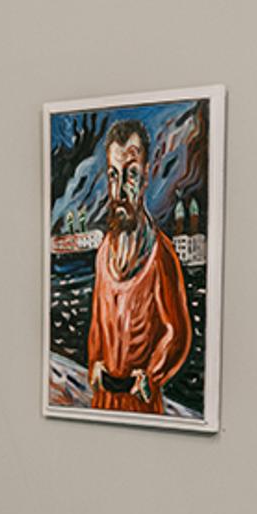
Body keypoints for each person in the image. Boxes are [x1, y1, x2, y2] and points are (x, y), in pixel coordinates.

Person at [86, 119, 191, 414]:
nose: (119, 189)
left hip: (141, 402)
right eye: (113, 175)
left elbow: (177, 333)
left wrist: (153, 373)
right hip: (103, 400)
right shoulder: (104, 250)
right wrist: (94, 362)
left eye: (130, 175)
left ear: (145, 177)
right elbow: (97, 321)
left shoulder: (161, 255)